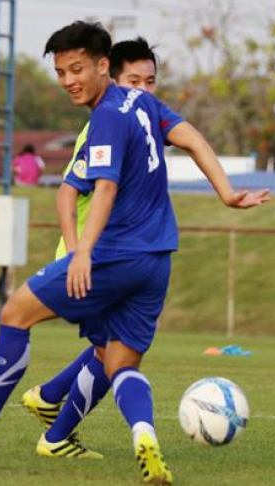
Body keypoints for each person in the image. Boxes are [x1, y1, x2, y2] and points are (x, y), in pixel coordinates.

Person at [0, 22, 270, 486]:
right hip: (157, 259)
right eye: (61, 72)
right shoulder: (145, 103)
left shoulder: (106, 116)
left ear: (104, 66)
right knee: (119, 363)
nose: (68, 80)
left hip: (113, 253)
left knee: (15, 313)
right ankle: (143, 436)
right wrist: (226, 193)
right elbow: (193, 138)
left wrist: (82, 252)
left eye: (77, 69)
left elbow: (102, 187)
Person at [19, 36, 169, 433]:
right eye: (135, 82)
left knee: (109, 350)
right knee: (114, 354)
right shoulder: (106, 124)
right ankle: (51, 420)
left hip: (112, 253)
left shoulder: (137, 121)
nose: (144, 91)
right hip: (89, 254)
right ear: (113, 79)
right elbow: (71, 190)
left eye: (151, 83)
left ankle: (49, 399)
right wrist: (76, 252)